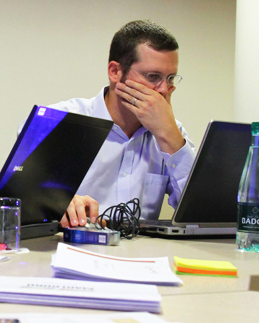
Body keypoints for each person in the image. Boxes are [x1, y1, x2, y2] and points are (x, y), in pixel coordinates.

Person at [51, 20, 196, 228]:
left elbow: (200, 213)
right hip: (73, 244)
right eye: (153, 76)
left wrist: (168, 136)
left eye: (170, 78)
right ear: (115, 72)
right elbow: (20, 199)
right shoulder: (59, 120)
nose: (164, 89)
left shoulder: (172, 132)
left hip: (143, 248)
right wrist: (57, 202)